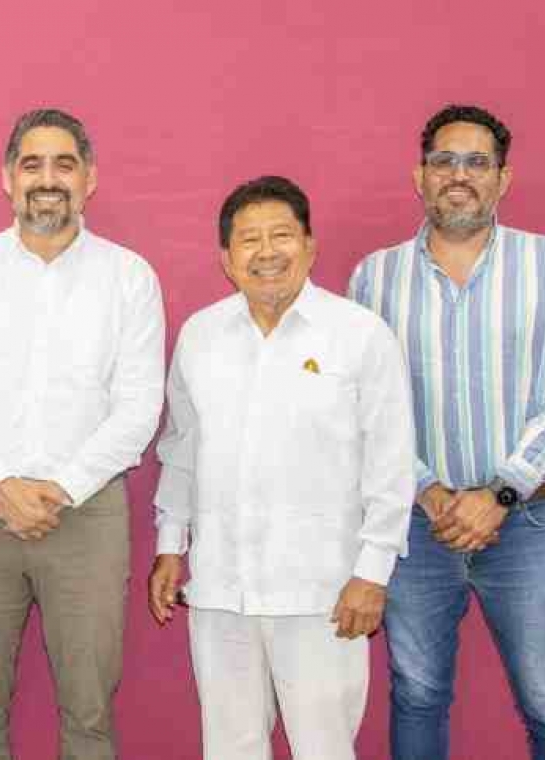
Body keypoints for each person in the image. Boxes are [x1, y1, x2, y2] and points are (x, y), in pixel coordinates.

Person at [349, 104, 545, 760]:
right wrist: (427, 492)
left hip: (527, 527)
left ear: (503, 179)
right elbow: (366, 408)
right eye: (444, 161)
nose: (460, 175)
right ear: (420, 177)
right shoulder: (374, 279)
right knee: (418, 694)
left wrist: (502, 493)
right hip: (417, 532)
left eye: (477, 162)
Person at [0, 108, 165, 759]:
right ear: (8, 178)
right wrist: (2, 483)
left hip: (87, 514)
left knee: (88, 716)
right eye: (32, 164)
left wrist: (60, 487)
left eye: (64, 164)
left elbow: (139, 407)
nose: (48, 178)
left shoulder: (129, 278)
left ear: (89, 179)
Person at [149, 176, 414, 760]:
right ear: (226, 257)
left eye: (281, 236)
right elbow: (182, 448)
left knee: (324, 748)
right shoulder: (200, 336)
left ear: (311, 245)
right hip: (221, 590)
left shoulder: (359, 336)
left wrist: (372, 573)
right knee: (230, 748)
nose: (266, 252)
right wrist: (171, 543)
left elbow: (391, 464)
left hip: (322, 594)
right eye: (248, 240)